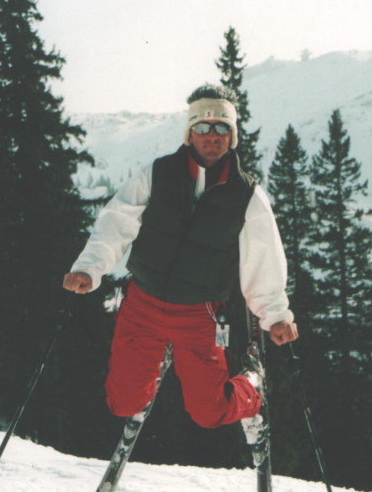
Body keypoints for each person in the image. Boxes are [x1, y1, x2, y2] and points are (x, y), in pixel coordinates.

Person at [63, 84, 298, 431]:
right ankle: (150, 372)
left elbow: (264, 259)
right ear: (190, 132)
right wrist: (88, 268)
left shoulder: (246, 195)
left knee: (210, 412)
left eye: (222, 128)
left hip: (199, 314)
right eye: (202, 126)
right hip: (142, 303)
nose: (212, 136)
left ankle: (251, 388)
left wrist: (275, 315)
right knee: (123, 402)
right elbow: (116, 222)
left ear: (232, 136)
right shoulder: (157, 174)